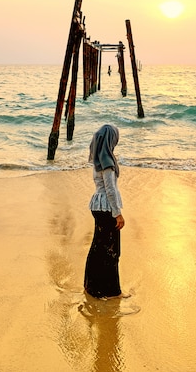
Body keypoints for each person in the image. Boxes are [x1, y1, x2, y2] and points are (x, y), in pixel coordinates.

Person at [84, 124, 126, 299]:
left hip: (97, 206)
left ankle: (92, 287)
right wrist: (118, 213)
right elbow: (110, 189)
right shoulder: (107, 163)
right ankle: (111, 292)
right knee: (112, 251)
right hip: (106, 208)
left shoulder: (98, 160)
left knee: (98, 249)